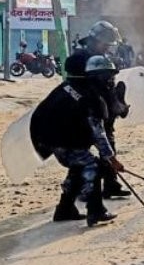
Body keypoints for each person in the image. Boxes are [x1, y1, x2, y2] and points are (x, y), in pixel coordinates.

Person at [30, 55, 123, 227]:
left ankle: (64, 209)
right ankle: (96, 210)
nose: (110, 80)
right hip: (63, 140)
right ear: (97, 76)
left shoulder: (68, 87)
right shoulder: (91, 98)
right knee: (94, 166)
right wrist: (111, 159)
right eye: (107, 76)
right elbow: (98, 133)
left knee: (79, 166)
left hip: (48, 139)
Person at [65, 21, 132, 200]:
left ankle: (111, 185)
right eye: (105, 44)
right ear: (94, 41)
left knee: (109, 147)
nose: (107, 48)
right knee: (82, 153)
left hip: (104, 112)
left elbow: (108, 86)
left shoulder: (104, 58)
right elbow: (85, 87)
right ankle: (78, 190)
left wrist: (118, 105)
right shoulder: (77, 60)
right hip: (85, 113)